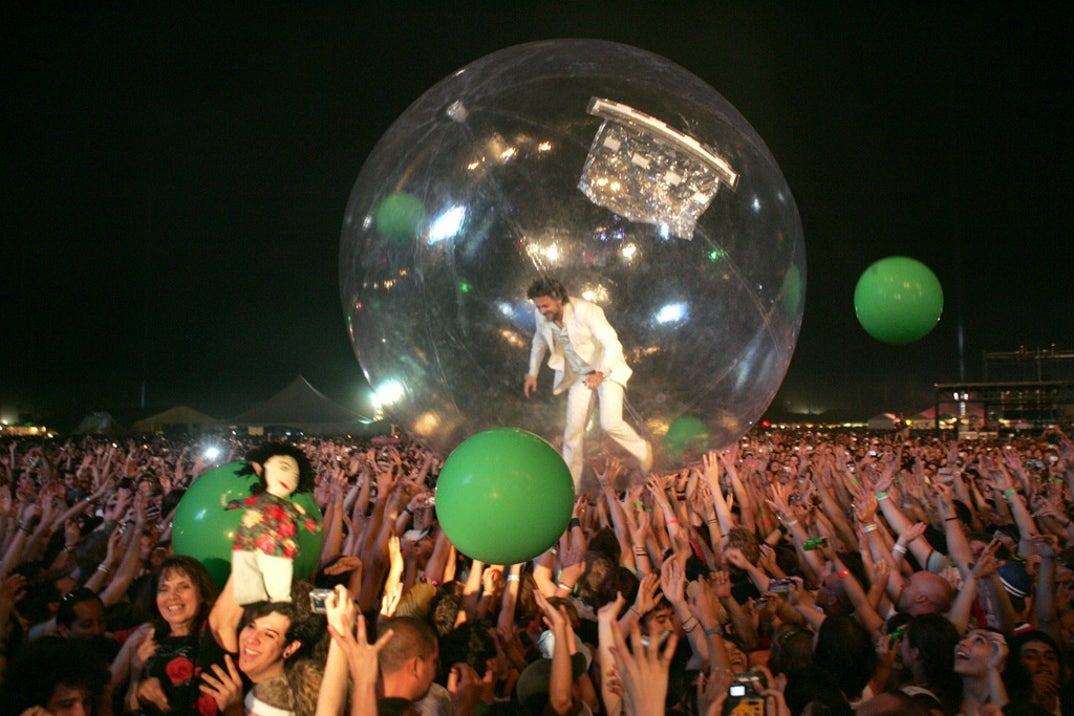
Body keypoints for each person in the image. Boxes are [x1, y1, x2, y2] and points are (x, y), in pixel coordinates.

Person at [523, 276, 652, 488]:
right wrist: (533, 373)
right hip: (580, 375)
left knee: (609, 423)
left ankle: (643, 450)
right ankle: (570, 484)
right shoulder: (542, 316)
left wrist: (600, 373)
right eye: (538, 306)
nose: (542, 310)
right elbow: (539, 341)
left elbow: (612, 343)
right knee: (572, 431)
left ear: (558, 299)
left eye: (545, 305)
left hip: (606, 369)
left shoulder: (586, 311)